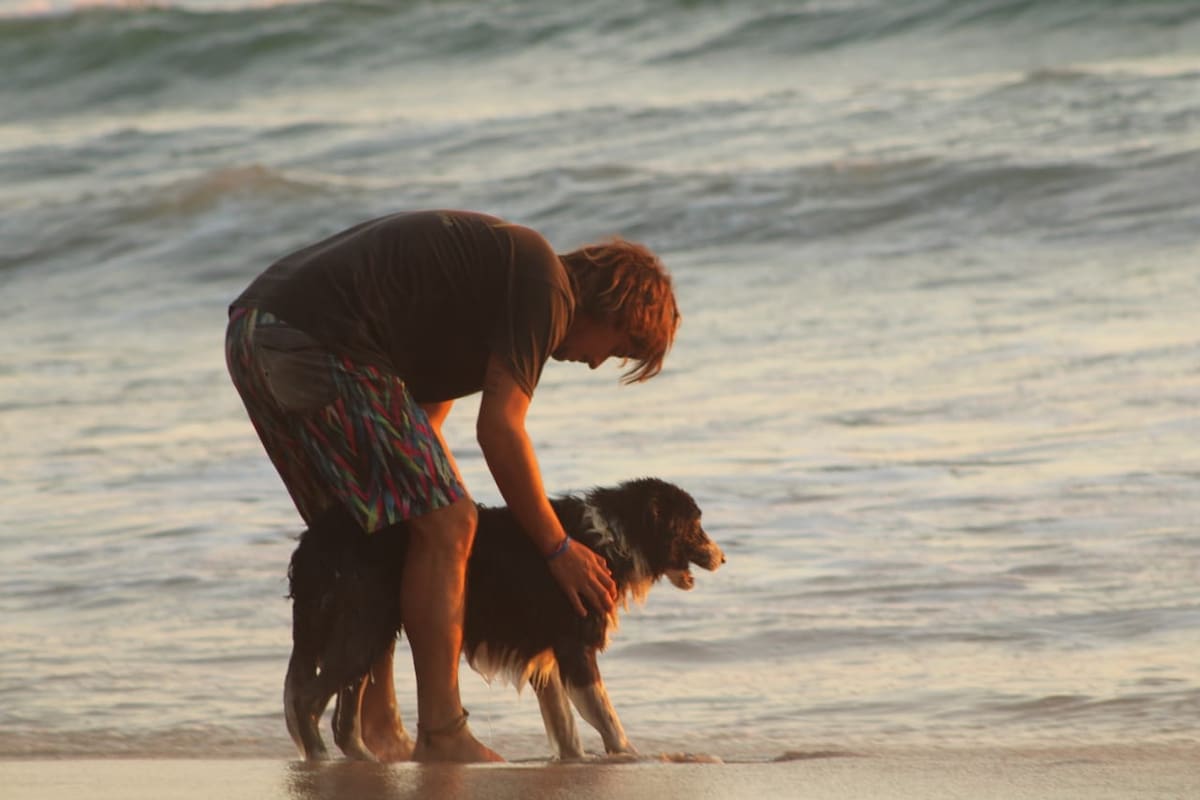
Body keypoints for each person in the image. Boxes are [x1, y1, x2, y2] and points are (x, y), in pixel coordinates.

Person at [224, 210, 680, 762]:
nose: (596, 363)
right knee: (446, 522)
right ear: (612, 305)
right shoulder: (547, 288)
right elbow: (501, 430)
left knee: (380, 535)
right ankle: (441, 732)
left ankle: (376, 725)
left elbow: (424, 421)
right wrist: (557, 548)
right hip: (315, 338)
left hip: (256, 331)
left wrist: (443, 512)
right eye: (617, 348)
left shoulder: (502, 284)